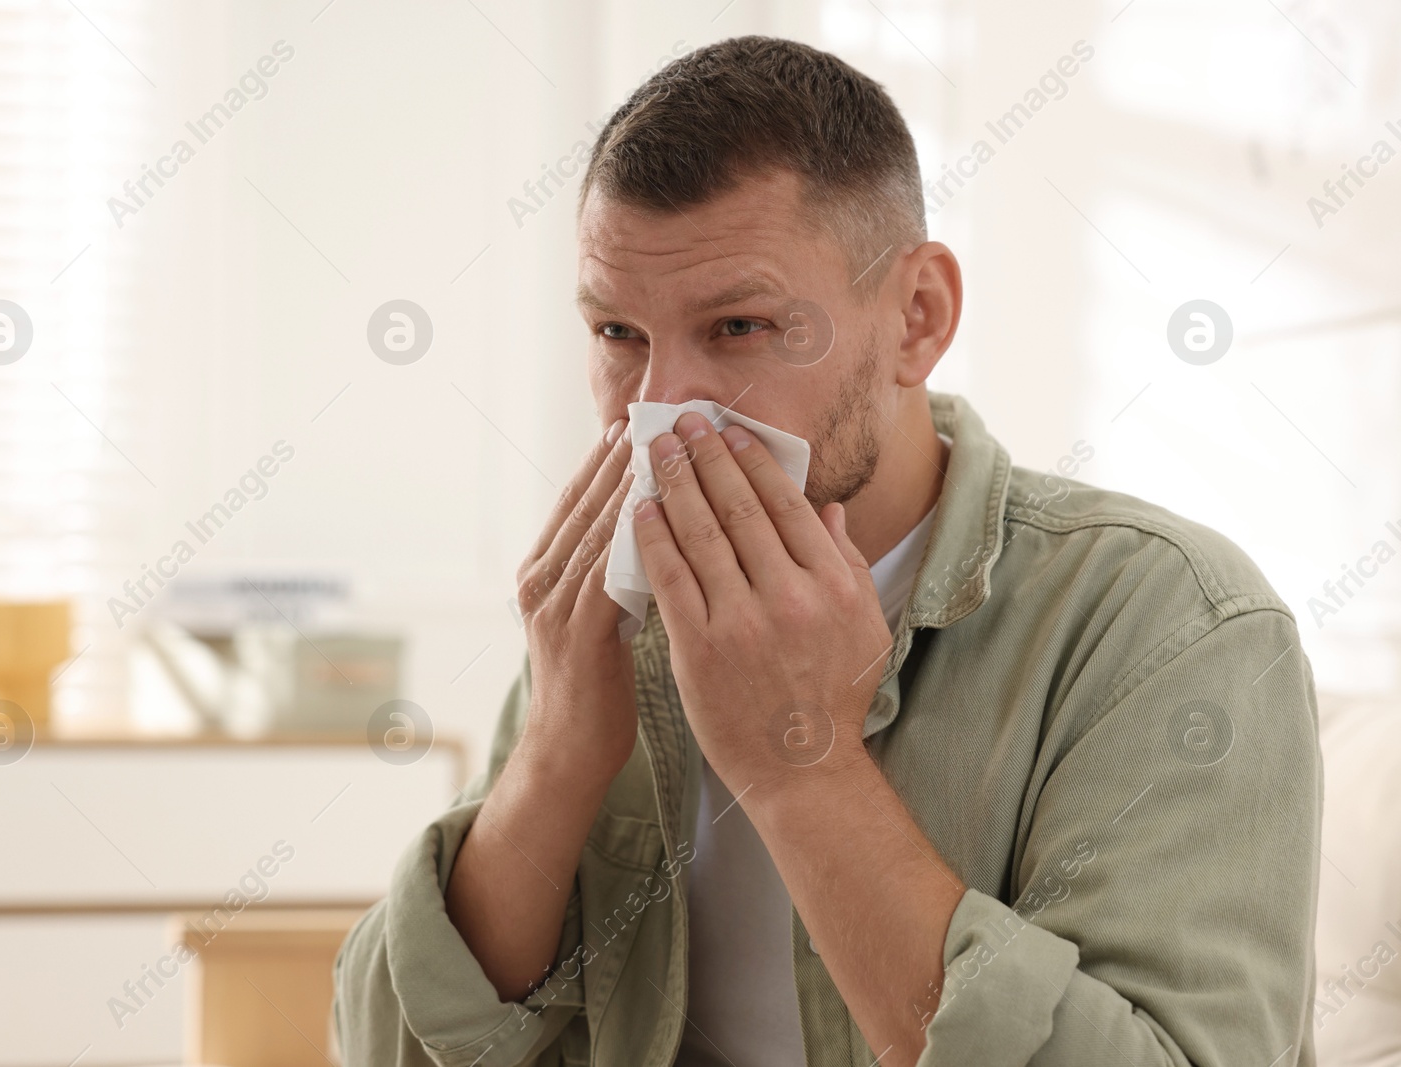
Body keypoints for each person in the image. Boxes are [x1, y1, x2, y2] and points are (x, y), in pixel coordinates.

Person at [334, 35, 1320, 1067]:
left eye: (740, 326)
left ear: (916, 316)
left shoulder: (1172, 625)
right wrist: (557, 748)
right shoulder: (610, 624)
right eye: (617, 332)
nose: (661, 407)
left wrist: (799, 764)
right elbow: (382, 1045)